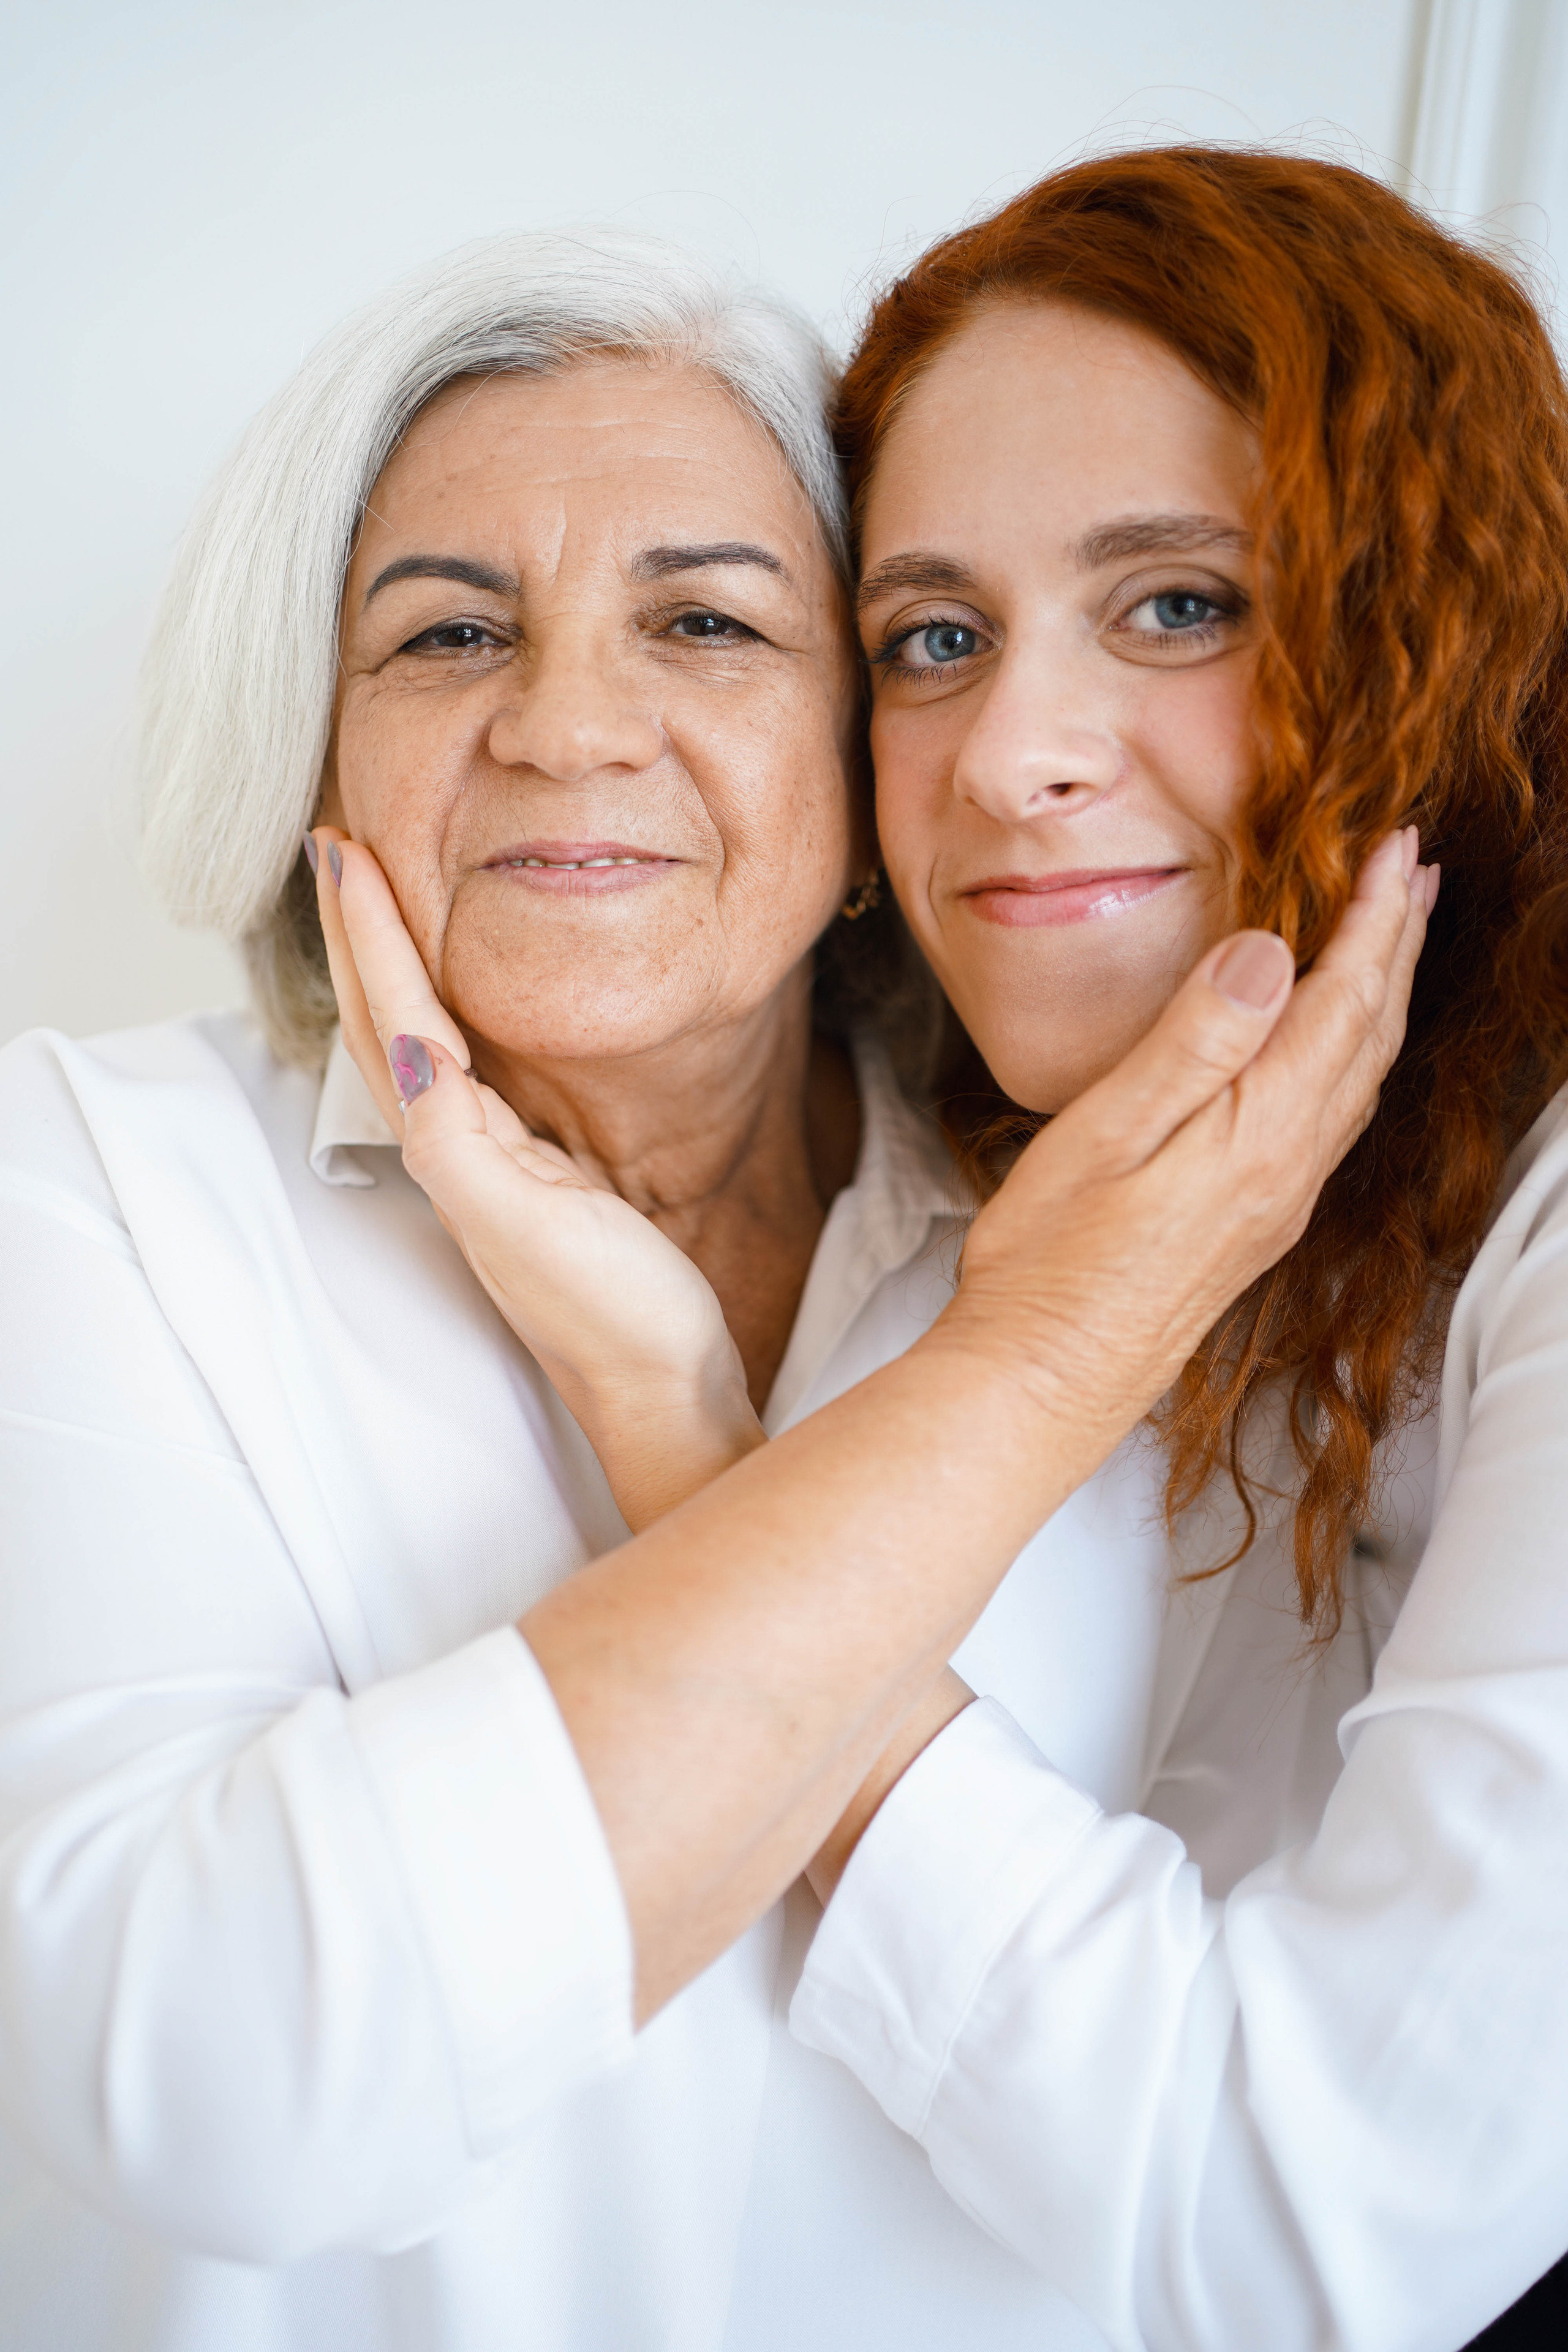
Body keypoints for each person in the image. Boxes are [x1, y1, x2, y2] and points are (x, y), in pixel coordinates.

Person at [0, 224, 1417, 2351]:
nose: (571, 725)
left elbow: (1277, 2181)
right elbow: (216, 2073)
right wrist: (1031, 1364)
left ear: (866, 769)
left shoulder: (1182, 1214)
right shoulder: (88, 1186)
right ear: (313, 751)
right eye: (450, 633)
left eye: (707, 622)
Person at [333, 153, 1568, 2349]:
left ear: (1438, 627)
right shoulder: (1003, 1153)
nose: (1011, 760)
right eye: (935, 639)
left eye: (1182, 602)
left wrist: (681, 1429)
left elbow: (1316, 2222)